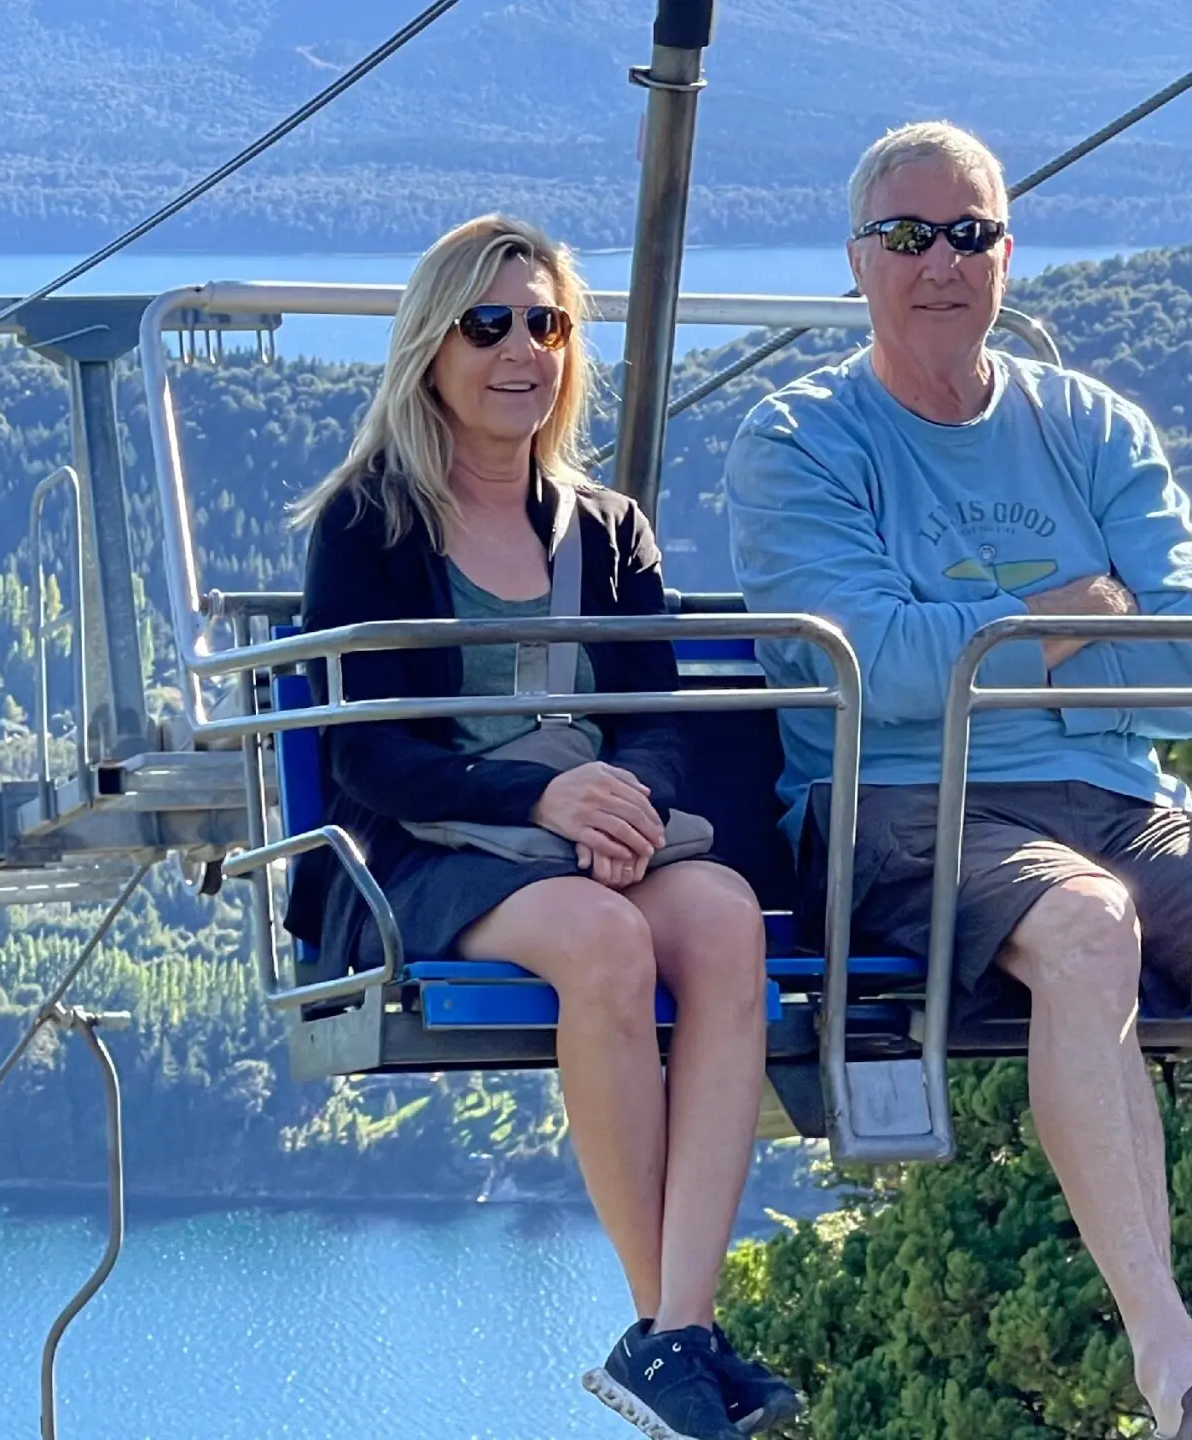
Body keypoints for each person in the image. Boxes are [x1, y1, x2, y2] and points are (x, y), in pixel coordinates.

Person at [724, 123, 1192, 1440]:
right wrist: (1077, 615)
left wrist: (1004, 644)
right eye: (908, 237)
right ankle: (1178, 1366)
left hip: (1112, 792)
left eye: (968, 234)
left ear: (1007, 256)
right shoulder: (800, 442)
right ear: (860, 262)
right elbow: (876, 675)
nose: (940, 264)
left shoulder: (1087, 426)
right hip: (908, 801)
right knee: (1088, 927)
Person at [287, 215, 802, 1440]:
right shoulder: (372, 526)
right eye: (488, 324)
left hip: (588, 831)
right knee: (604, 946)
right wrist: (538, 799)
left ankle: (680, 1328)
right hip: (427, 847)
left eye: (547, 324)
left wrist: (624, 802)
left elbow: (656, 712)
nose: (520, 349)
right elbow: (367, 751)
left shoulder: (606, 529)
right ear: (432, 347)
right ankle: (666, 1328)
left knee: (726, 922)